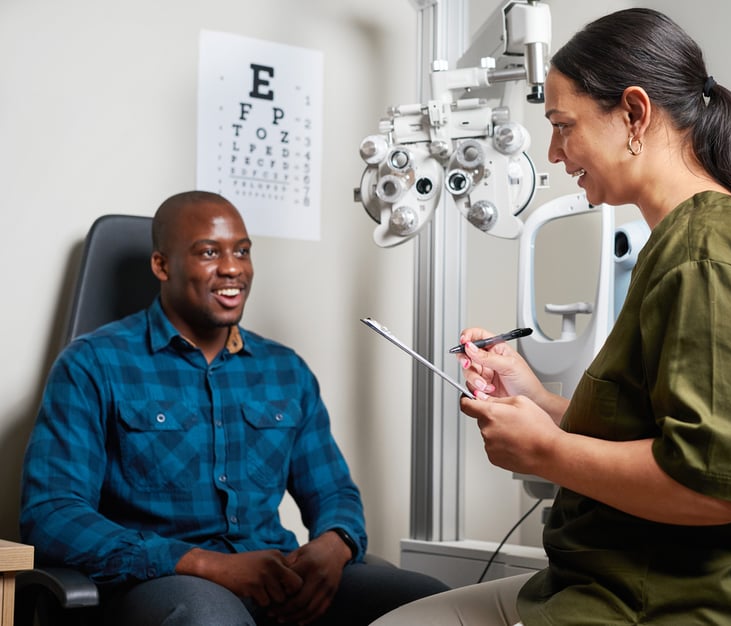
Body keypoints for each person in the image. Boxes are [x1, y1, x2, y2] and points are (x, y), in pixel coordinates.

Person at [372, 7, 731, 626]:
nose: (553, 151)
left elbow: (716, 486)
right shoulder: (685, 243)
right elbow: (658, 434)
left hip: (676, 604)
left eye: (564, 125)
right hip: (619, 582)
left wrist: (544, 454)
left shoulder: (707, 256)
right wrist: (538, 402)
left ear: (634, 114)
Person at [20, 191, 448, 626]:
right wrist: (206, 564)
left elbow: (334, 492)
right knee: (208, 616)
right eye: (209, 252)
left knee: (431, 602)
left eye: (242, 251)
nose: (232, 268)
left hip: (276, 579)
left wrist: (333, 546)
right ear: (161, 265)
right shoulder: (92, 363)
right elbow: (52, 514)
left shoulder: (285, 370)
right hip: (163, 584)